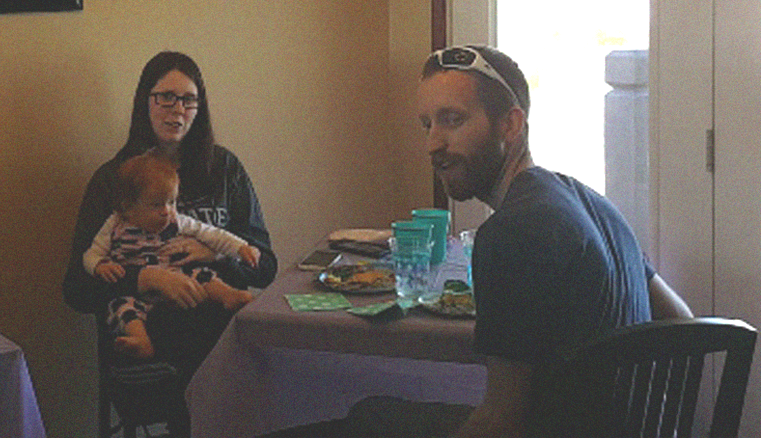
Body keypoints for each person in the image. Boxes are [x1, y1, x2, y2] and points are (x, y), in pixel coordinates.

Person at [259, 45, 692, 438]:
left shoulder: (512, 232)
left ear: (511, 124)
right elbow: (681, 322)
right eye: (427, 125)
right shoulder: (589, 200)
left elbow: (500, 425)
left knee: (367, 419)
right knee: (376, 414)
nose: (433, 144)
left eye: (453, 120)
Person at [63, 51, 277, 436]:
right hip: (153, 334)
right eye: (165, 97)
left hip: (221, 326)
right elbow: (77, 290)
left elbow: (266, 266)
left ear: (200, 108)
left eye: (188, 99)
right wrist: (145, 278)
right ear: (145, 102)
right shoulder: (115, 181)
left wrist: (216, 254)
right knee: (211, 370)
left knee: (255, 354)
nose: (177, 109)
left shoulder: (225, 170)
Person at [84, 149, 261, 360]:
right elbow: (91, 255)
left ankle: (229, 295)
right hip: (136, 294)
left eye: (172, 202)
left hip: (182, 281)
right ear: (128, 207)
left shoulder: (177, 220)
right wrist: (99, 266)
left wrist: (240, 248)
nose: (166, 211)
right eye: (156, 204)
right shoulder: (115, 225)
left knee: (202, 275)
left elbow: (211, 233)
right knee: (122, 308)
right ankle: (141, 340)